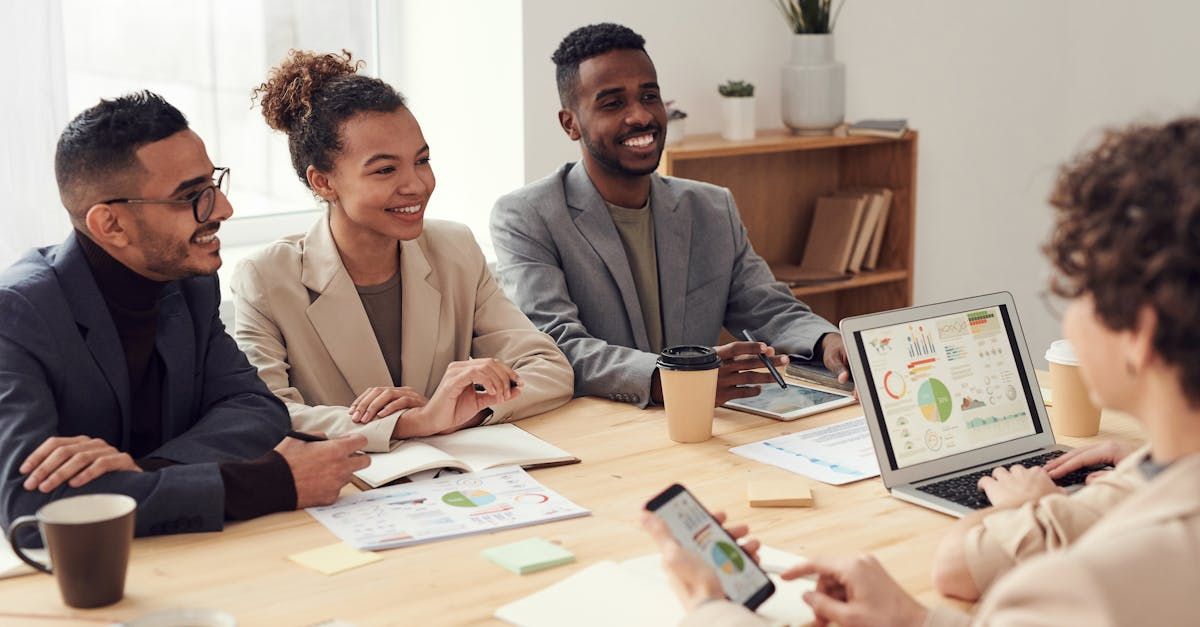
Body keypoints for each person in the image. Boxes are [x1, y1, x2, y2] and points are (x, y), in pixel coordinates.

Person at [643, 117, 1200, 626]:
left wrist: (708, 602)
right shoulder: (1155, 487)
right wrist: (911, 619)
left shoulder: (1080, 589)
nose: (1071, 318)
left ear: (1141, 336)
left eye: (1081, 294)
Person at [0, 92, 368, 541]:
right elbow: (29, 511)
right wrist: (265, 482)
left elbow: (255, 408)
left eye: (213, 184)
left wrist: (140, 471)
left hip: (185, 553)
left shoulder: (191, 284)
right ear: (110, 225)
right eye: (191, 196)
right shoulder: (16, 315)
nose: (223, 210)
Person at [490, 23, 849, 408]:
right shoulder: (526, 216)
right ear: (570, 123)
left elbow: (767, 306)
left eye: (649, 96)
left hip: (704, 430)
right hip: (603, 432)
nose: (640, 116)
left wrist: (828, 341)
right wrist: (672, 380)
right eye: (613, 103)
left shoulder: (712, 208)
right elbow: (557, 343)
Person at [231, 50, 573, 453]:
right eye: (385, 169)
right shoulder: (266, 277)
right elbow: (264, 414)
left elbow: (549, 369)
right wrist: (412, 423)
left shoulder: (455, 249)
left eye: (422, 160)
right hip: (348, 493)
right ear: (323, 182)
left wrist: (466, 410)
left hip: (463, 482)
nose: (417, 184)